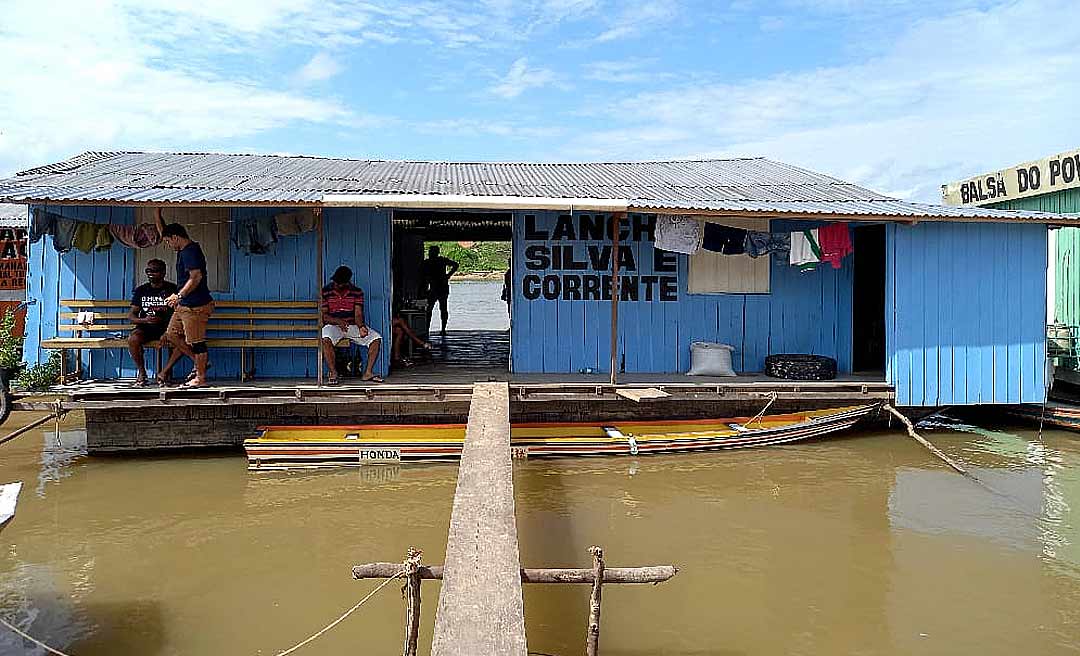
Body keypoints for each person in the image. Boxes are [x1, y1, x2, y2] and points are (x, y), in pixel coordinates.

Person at [156, 209, 214, 388]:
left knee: (197, 343)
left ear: (176, 237)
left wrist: (178, 295)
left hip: (195, 306)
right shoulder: (182, 248)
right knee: (172, 335)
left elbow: (196, 277)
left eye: (167, 241)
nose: (167, 244)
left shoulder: (190, 251)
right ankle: (197, 363)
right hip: (183, 306)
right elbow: (164, 231)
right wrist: (156, 212)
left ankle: (201, 378)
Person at [321, 265, 383, 384]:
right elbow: (324, 316)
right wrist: (338, 321)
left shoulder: (356, 292)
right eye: (336, 282)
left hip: (351, 326)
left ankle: (368, 373)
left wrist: (361, 327)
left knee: (376, 339)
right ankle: (333, 373)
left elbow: (358, 314)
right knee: (325, 339)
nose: (337, 285)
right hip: (334, 325)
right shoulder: (326, 291)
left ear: (346, 282)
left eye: (340, 283)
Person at [127, 258, 178, 386]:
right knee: (133, 339)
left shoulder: (172, 289)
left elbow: (179, 313)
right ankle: (142, 372)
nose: (150, 273)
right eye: (148, 270)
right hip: (146, 328)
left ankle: (165, 372)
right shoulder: (141, 290)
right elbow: (131, 316)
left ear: (163, 272)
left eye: (154, 271)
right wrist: (145, 320)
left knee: (184, 343)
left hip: (168, 328)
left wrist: (168, 331)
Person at [421, 245, 458, 333]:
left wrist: (448, 275)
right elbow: (455, 265)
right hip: (438, 288)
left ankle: (432, 329)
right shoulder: (439, 261)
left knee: (434, 309)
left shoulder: (432, 262)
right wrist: (448, 275)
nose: (430, 253)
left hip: (437, 288)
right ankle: (440, 329)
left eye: (431, 252)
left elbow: (456, 265)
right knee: (438, 309)